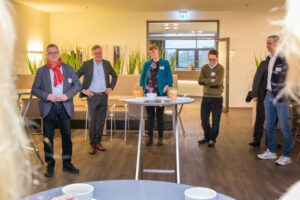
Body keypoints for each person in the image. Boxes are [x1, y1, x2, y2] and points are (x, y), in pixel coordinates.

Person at [31, 44, 81, 177]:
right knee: (48, 137)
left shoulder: (68, 68)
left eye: (56, 52)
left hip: (65, 105)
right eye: (50, 53)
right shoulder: (41, 71)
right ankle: (50, 165)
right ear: (46, 55)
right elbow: (35, 89)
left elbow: (77, 84)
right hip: (49, 106)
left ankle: (67, 164)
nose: (54, 54)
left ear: (59, 53)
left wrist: (68, 95)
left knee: (67, 137)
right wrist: (47, 95)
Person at [256, 35, 292, 166]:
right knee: (269, 125)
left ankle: (286, 155)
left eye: (269, 43)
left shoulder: (284, 59)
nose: (267, 45)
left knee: (284, 127)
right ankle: (271, 151)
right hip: (269, 96)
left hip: (280, 97)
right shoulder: (269, 59)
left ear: (277, 44)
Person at [76, 45, 118, 154]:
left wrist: (110, 87)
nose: (98, 55)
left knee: (101, 122)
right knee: (92, 122)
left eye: (100, 52)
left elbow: (115, 75)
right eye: (96, 53)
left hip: (103, 96)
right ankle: (92, 145)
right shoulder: (87, 64)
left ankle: (98, 142)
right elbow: (75, 76)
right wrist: (83, 90)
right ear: (92, 54)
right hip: (92, 96)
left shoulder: (107, 63)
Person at [140, 44, 173, 146]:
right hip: (149, 93)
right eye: (150, 53)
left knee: (160, 116)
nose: (152, 54)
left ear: (157, 51)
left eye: (153, 52)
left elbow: (169, 76)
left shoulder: (165, 63)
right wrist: (143, 89)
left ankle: (160, 138)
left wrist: (166, 86)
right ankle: (150, 137)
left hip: (161, 93)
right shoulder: (147, 64)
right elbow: (143, 77)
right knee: (150, 116)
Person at [198, 49, 224, 147]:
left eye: (213, 59)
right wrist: (211, 80)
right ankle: (207, 136)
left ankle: (212, 139)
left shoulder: (220, 68)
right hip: (206, 97)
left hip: (217, 98)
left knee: (215, 121)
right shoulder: (204, 67)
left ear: (217, 58)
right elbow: (199, 80)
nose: (211, 61)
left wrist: (207, 81)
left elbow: (218, 82)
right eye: (210, 59)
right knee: (204, 119)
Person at [249, 60, 268, 146]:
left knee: (273, 120)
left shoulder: (280, 63)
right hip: (262, 96)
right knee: (260, 117)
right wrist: (255, 94)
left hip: (274, 97)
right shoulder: (264, 64)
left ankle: (270, 140)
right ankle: (257, 139)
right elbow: (257, 79)